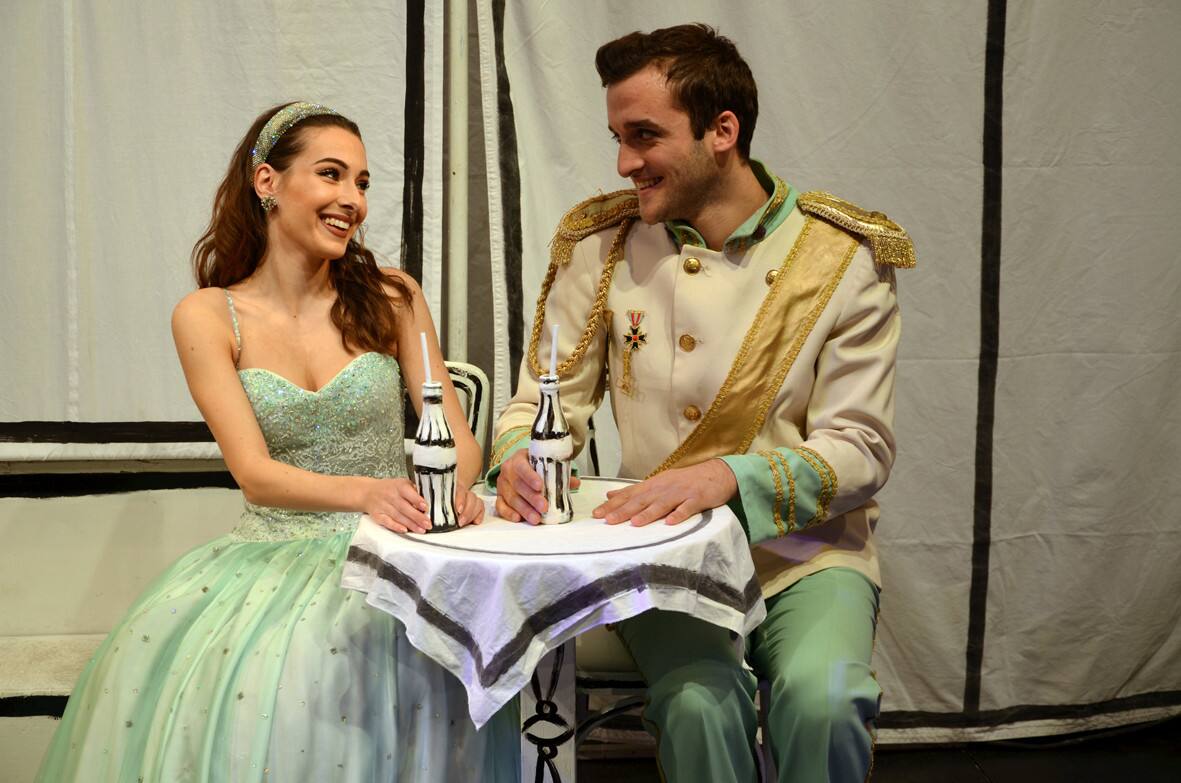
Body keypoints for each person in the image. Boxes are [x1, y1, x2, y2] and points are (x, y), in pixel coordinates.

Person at [37, 101, 519, 782]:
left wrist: (455, 490)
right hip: (275, 554)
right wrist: (369, 492)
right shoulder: (207, 315)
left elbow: (459, 438)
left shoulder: (392, 296)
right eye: (331, 174)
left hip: (395, 549)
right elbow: (255, 474)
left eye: (362, 183)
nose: (352, 199)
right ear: (268, 181)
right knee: (288, 680)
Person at [491, 24, 914, 783]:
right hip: (662, 554)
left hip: (805, 554)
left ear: (722, 131)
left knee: (824, 700)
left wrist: (726, 477)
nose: (624, 163)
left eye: (644, 136)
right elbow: (537, 404)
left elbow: (861, 448)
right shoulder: (601, 245)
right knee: (698, 704)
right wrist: (520, 456)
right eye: (618, 138)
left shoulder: (843, 258)